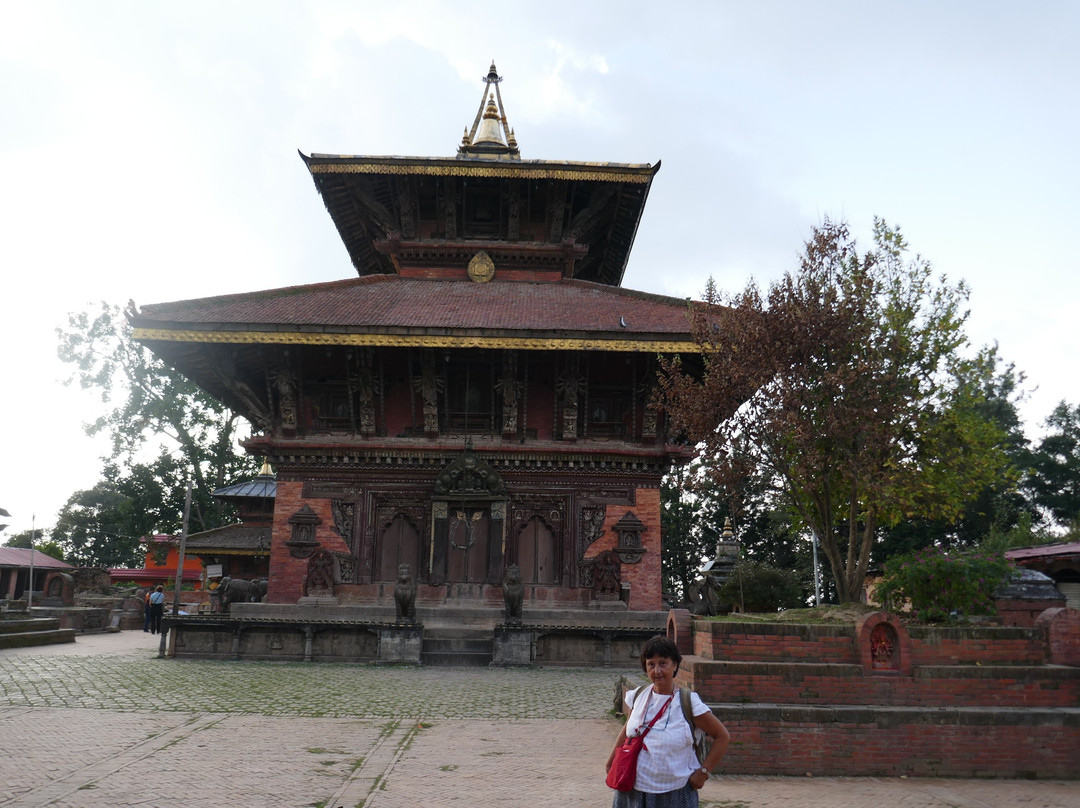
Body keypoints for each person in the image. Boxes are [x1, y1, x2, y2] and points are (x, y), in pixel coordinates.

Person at [606, 635, 730, 808]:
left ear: (675, 665)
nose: (657, 671)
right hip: (631, 790)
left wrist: (703, 772)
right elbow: (629, 729)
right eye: (651, 664)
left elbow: (722, 736)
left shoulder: (689, 703)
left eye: (663, 663)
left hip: (673, 794)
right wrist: (612, 761)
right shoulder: (639, 695)